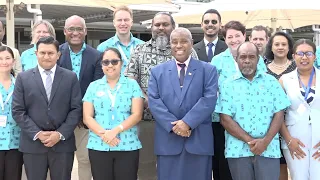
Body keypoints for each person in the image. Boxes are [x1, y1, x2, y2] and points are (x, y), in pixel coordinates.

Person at [124, 12, 198, 178]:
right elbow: (130, 79)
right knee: (145, 166)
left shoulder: (188, 52)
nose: (161, 28)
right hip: (147, 120)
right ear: (151, 28)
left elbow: (194, 83)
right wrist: (149, 101)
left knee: (176, 166)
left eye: (165, 24)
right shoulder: (139, 50)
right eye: (157, 25)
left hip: (178, 123)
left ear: (173, 27)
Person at [148, 27, 218, 180]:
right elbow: (154, 101)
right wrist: (175, 126)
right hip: (168, 142)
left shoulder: (208, 70)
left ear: (191, 43)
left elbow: (209, 99)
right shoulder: (157, 72)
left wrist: (187, 123)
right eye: (174, 42)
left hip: (198, 141)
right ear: (170, 45)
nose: (179, 45)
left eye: (183, 41)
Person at [215, 42, 291, 180]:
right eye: (243, 57)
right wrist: (251, 142)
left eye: (251, 57)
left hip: (268, 150)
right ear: (237, 59)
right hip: (238, 151)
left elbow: (279, 114)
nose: (247, 61)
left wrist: (265, 142)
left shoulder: (271, 82)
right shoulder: (227, 85)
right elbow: (225, 118)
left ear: (258, 59)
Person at [12, 36, 82, 180]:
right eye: (42, 52)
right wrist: (37, 133)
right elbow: (18, 110)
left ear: (58, 55)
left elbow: (76, 109)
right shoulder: (23, 78)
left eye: (51, 53)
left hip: (62, 145)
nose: (46, 56)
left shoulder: (70, 77)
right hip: (33, 145)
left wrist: (60, 133)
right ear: (36, 53)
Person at [211, 21, 267, 180]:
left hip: (251, 119)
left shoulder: (257, 58)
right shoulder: (217, 60)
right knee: (223, 165)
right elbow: (211, 88)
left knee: (249, 164)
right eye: (230, 36)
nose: (234, 39)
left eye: (237, 35)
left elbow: (261, 84)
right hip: (223, 119)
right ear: (225, 39)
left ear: (244, 36)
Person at [83, 47, 144, 180]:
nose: (110, 65)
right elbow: (87, 117)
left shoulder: (132, 85)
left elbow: (137, 114)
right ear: (102, 65)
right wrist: (105, 134)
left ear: (121, 63)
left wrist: (115, 131)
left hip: (127, 145)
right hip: (99, 144)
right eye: (106, 62)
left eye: (114, 62)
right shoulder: (93, 86)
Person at [57, 15, 103, 180]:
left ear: (85, 31)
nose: (75, 32)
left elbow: (97, 88)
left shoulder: (97, 56)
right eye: (71, 29)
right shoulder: (56, 54)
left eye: (79, 29)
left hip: (86, 120)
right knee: (62, 162)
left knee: (85, 160)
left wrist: (82, 114)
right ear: (65, 31)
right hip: (60, 119)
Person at [279, 39, 320, 180]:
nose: (304, 57)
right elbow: (278, 115)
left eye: (308, 53)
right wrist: (288, 139)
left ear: (315, 56)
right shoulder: (284, 80)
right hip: (294, 140)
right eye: (300, 53)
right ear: (293, 56)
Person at [264, 31, 296, 180]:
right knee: (275, 164)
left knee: (290, 165)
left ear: (289, 48)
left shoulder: (297, 67)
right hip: (268, 123)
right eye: (277, 44)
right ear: (271, 47)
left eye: (284, 44)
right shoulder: (263, 68)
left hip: (292, 121)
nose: (280, 47)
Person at [97, 6, 144, 72]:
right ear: (114, 23)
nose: (123, 23)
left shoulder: (143, 46)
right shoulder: (103, 48)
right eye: (119, 20)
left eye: (126, 20)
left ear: (131, 22)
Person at [0, 46, 23, 180]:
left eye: (7, 58)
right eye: (0, 58)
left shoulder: (20, 85)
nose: (4, 62)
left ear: (13, 61)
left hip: (15, 141)